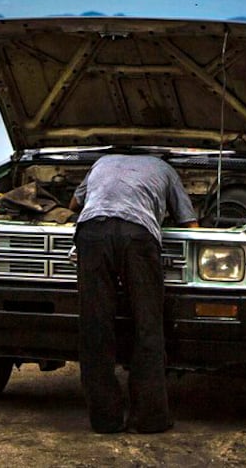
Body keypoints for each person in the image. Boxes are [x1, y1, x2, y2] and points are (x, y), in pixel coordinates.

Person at [71, 154, 198, 433]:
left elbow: (74, 204)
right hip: (137, 234)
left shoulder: (102, 161)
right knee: (147, 325)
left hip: (91, 232)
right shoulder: (165, 168)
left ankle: (105, 420)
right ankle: (149, 418)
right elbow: (189, 221)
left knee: (95, 326)